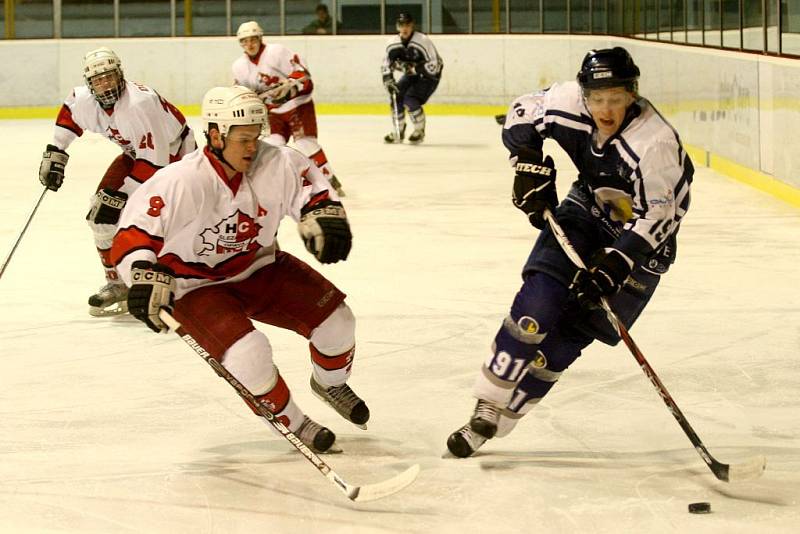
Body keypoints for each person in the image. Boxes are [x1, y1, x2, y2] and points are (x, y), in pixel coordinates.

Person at [446, 47, 694, 458]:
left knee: (561, 345)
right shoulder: (567, 102)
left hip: (643, 245)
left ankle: (500, 424)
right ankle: (487, 403)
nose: (605, 108)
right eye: (597, 98)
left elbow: (658, 216)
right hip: (586, 212)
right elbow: (522, 111)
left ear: (632, 94)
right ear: (584, 95)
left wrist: (616, 262)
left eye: (615, 98)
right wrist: (527, 163)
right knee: (537, 305)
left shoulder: (655, 144)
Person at [110, 86, 368, 453]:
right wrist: (141, 275)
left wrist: (322, 217)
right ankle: (295, 421)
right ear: (215, 136)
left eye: (256, 136)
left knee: (339, 323)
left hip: (259, 266)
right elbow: (131, 236)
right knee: (250, 355)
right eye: (242, 139)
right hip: (193, 285)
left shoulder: (278, 162)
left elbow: (314, 193)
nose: (252, 146)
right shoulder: (181, 181)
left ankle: (330, 383)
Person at [38, 47, 196, 317]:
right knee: (99, 218)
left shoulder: (140, 104)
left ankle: (182, 280)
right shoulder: (83, 98)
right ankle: (118, 283)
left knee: (163, 221)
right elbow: (69, 114)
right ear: (91, 84)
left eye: (109, 77)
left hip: (176, 157)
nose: (105, 85)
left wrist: (121, 195)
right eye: (98, 80)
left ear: (120, 75)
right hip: (137, 154)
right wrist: (57, 151)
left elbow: (156, 160)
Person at [232, 20, 345, 196]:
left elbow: (304, 76)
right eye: (244, 41)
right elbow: (244, 94)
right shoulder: (239, 66)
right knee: (270, 147)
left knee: (305, 143)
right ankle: (272, 186)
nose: (249, 44)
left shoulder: (276, 52)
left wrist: (290, 86)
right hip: (274, 113)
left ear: (260, 38)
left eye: (253, 39)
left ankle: (329, 179)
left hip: (297, 106)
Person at [381, 12, 443, 144]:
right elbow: (386, 64)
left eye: (407, 25)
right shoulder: (392, 44)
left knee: (410, 98)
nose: (404, 28)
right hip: (412, 74)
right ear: (397, 27)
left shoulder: (422, 41)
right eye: (401, 25)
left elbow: (435, 65)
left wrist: (416, 69)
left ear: (412, 26)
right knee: (396, 94)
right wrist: (388, 79)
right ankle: (398, 131)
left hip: (429, 76)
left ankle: (419, 131)